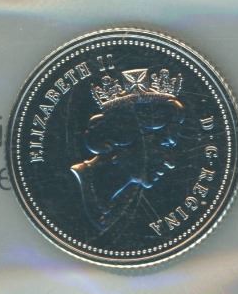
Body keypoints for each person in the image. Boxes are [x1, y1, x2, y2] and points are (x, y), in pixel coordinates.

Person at [70, 70, 187, 233]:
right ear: (121, 138)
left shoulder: (120, 200)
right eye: (162, 146)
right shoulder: (69, 191)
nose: (170, 163)